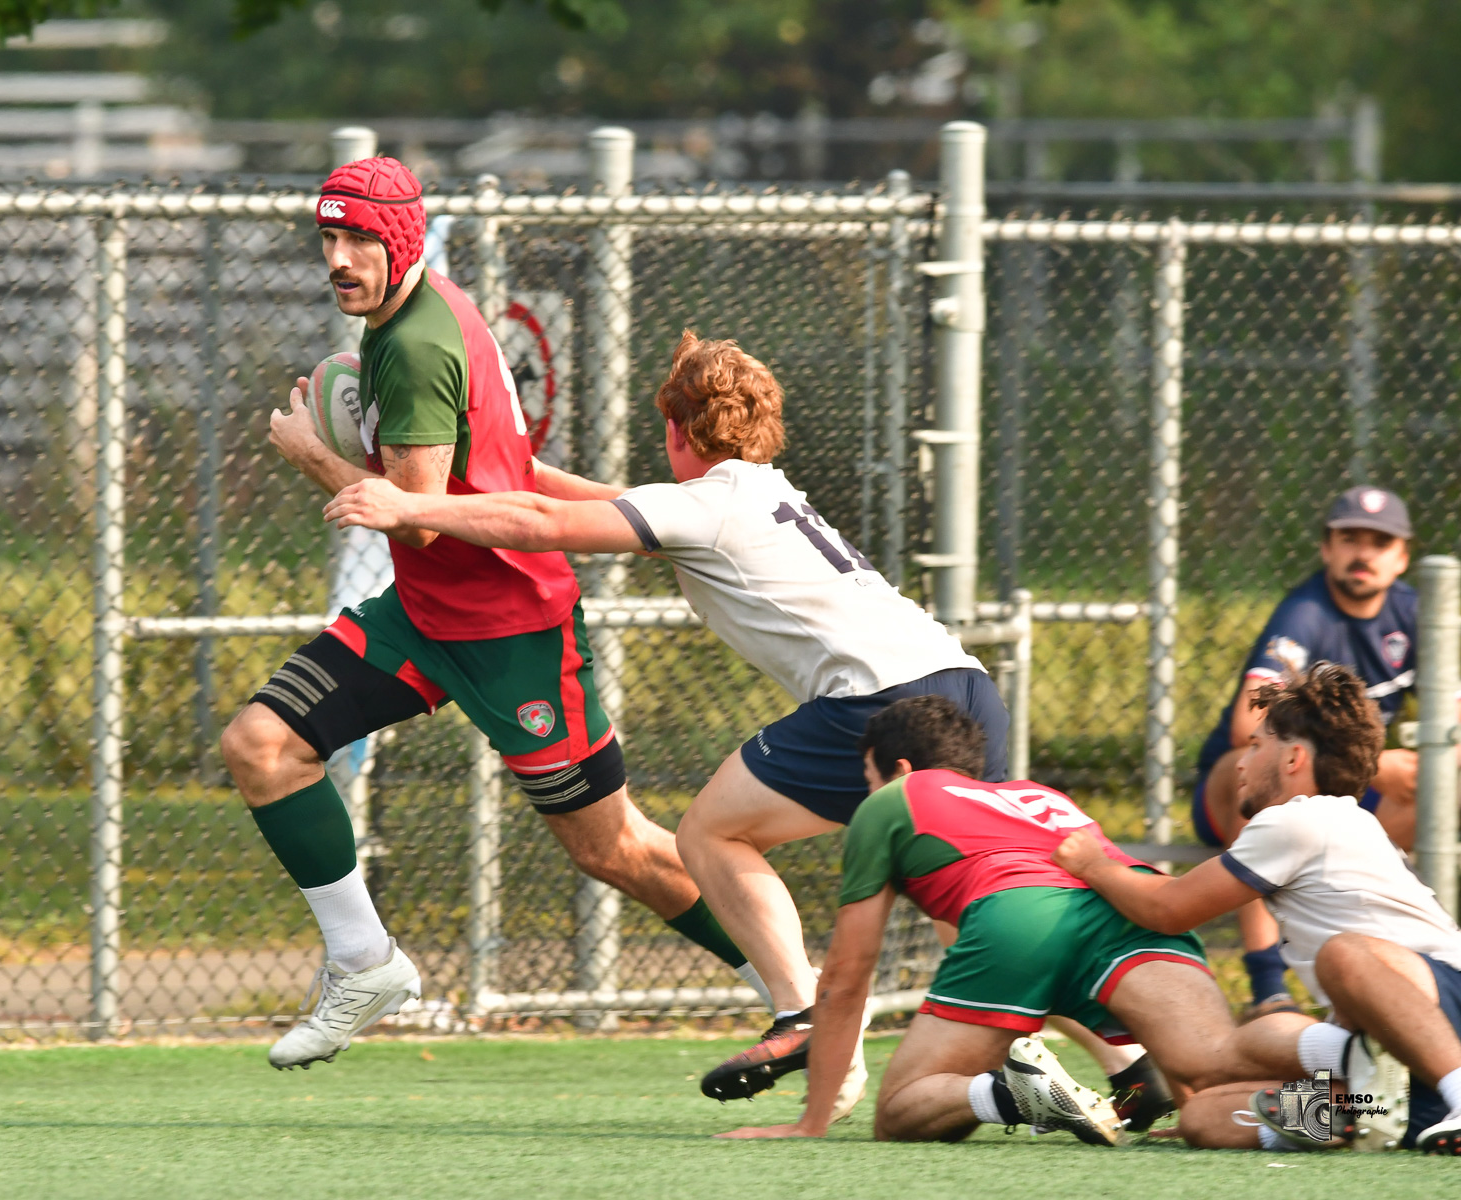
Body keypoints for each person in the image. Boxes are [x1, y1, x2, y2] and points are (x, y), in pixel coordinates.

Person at [325, 337, 1166, 1125]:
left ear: (677, 429)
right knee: (969, 902)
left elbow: (550, 528)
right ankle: (1133, 1058)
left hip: (877, 702)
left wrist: (412, 502)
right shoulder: (763, 490)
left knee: (710, 833)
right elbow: (606, 507)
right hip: (963, 684)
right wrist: (524, 469)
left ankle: (801, 1012)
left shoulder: (708, 506)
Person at [226, 157, 754, 1071]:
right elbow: (507, 471)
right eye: (329, 238)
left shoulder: (420, 346)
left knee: (616, 849)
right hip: (424, 620)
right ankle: (364, 963)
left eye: (359, 239)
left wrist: (311, 452)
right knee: (263, 747)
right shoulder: (431, 313)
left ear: (401, 242)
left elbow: (417, 520)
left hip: (513, 629)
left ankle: (796, 988)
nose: (340, 259)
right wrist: (638, 511)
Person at [714, 696, 1286, 1146]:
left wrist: (812, 1121)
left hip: (1019, 914)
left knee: (901, 1112)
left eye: (869, 778)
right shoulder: (1038, 794)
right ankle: (1357, 1105)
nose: (867, 793)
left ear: (901, 769)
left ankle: (1014, 1093)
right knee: (1208, 1100)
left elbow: (847, 972)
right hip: (1135, 908)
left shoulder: (896, 798)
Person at [1055, 661, 1461, 1154]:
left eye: (1255, 745)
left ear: (1292, 758)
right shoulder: (1339, 821)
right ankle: (1360, 1115)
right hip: (1403, 1071)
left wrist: (1093, 863)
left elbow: (1168, 908)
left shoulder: (1301, 820)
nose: (1242, 764)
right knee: (1204, 1115)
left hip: (1443, 1008)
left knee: (1343, 956)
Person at [1191, 487, 1419, 1019]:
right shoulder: (1303, 614)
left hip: (1347, 794)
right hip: (1250, 787)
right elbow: (1248, 727)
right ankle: (1268, 987)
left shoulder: (1417, 613)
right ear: (1326, 548)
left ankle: (1363, 957)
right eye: (1349, 539)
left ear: (1401, 556)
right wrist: (1373, 762)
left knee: (1433, 784)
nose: (1363, 553)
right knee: (1257, 771)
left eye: (1380, 542)